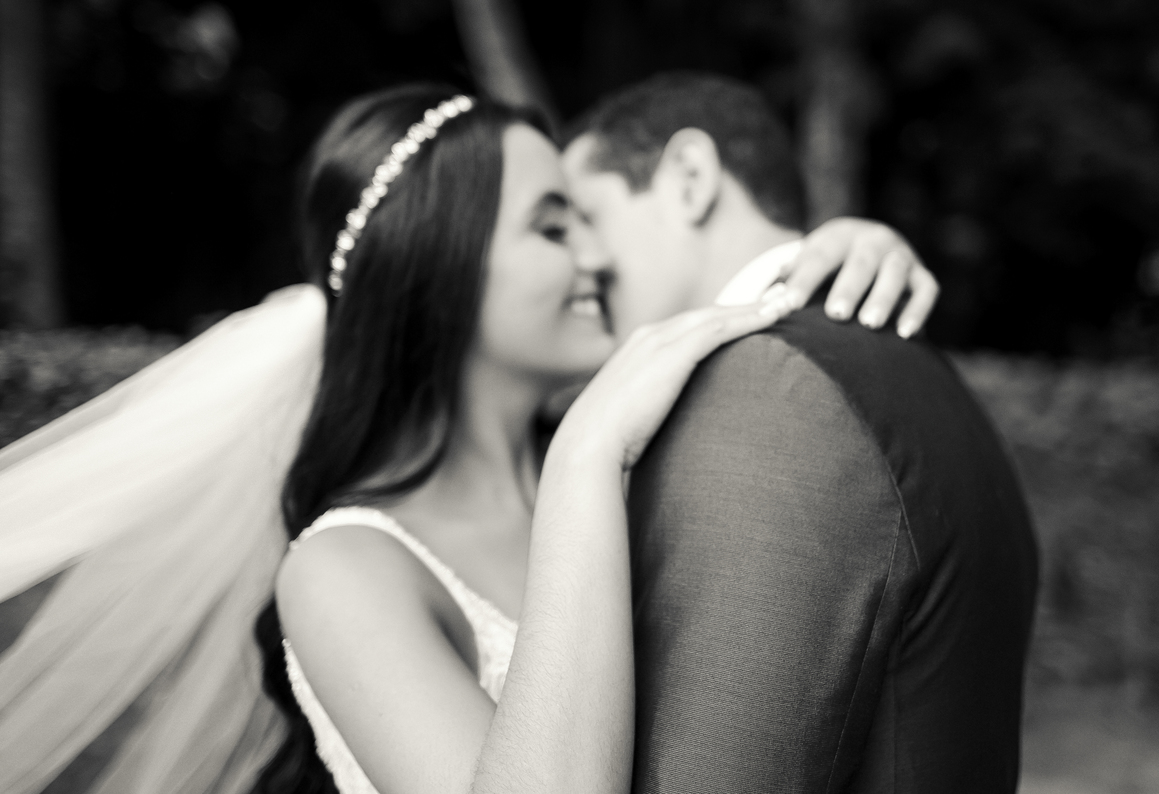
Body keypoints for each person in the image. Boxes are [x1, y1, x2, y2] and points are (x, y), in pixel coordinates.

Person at [0, 82, 931, 793]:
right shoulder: (346, 572)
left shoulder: (655, 452)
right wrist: (583, 457)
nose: (597, 257)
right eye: (553, 225)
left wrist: (840, 254)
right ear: (442, 267)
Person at [561, 71, 1040, 793]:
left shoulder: (768, 390)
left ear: (690, 178)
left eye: (585, 216)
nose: (582, 260)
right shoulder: (922, 369)